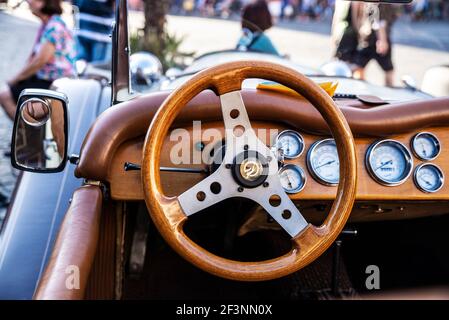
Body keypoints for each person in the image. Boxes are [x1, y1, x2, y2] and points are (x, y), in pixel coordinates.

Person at [0, 0, 76, 120]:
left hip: (55, 81)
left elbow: (39, 61)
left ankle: (28, 131)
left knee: (5, 94)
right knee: (6, 94)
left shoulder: (54, 26)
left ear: (45, 3)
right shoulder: (49, 23)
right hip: (46, 77)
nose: (28, 2)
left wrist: (15, 79)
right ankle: (26, 132)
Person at [352, 3, 397, 87]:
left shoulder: (373, 4)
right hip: (375, 41)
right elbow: (379, 23)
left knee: (359, 68)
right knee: (388, 71)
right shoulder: (379, 4)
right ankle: (359, 89)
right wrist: (382, 40)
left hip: (368, 40)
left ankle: (359, 89)